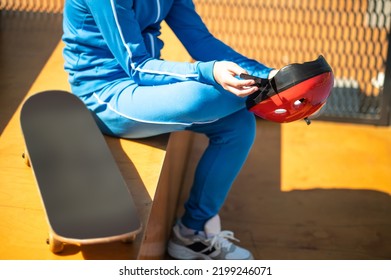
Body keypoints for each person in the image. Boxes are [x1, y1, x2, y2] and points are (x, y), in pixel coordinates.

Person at [62, 0, 277, 260]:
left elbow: (200, 41)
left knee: (239, 126)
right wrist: (212, 72)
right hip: (105, 94)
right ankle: (274, 92)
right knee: (210, 97)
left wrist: (268, 74)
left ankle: (191, 233)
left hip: (146, 81)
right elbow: (137, 65)